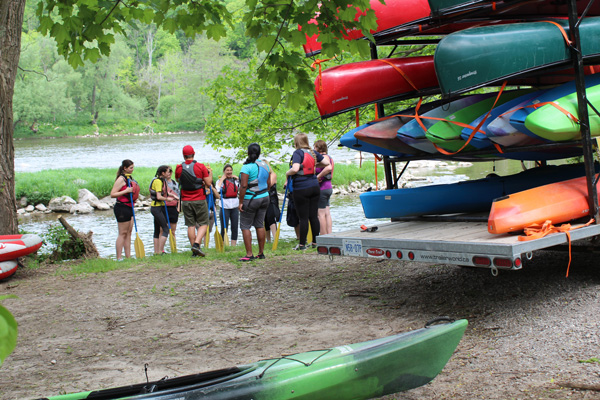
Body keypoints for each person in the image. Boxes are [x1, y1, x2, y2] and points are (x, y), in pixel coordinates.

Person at [285, 133, 330, 250]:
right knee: (313, 216)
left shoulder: (298, 153)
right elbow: (326, 163)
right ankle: (315, 242)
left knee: (303, 217)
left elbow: (294, 169)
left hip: (301, 187)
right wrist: (312, 164)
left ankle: (301, 245)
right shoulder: (313, 152)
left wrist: (287, 173)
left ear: (296, 143)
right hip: (314, 186)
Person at [238, 143, 275, 261]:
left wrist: (240, 202)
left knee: (245, 225)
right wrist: (264, 192)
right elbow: (269, 184)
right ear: (259, 153)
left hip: (251, 198)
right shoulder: (265, 165)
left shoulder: (246, 167)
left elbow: (243, 186)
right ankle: (261, 253)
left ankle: (249, 254)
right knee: (259, 224)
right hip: (265, 197)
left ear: (248, 152)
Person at [175, 145, 212, 257]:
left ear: (183, 155)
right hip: (199, 199)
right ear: (194, 154)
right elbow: (209, 183)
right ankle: (196, 244)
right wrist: (209, 172)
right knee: (204, 223)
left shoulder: (178, 167)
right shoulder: (200, 167)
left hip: (186, 200)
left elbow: (178, 179)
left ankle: (194, 251)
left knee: (190, 225)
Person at [110, 159, 140, 260]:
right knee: (122, 233)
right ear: (125, 168)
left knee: (128, 233)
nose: (132, 169)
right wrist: (126, 191)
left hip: (129, 207)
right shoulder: (121, 179)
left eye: (133, 167)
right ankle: (118, 257)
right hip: (121, 207)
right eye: (130, 168)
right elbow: (113, 194)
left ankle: (128, 256)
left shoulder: (129, 178)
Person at [149, 165, 178, 255]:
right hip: (156, 207)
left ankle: (156, 252)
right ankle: (160, 251)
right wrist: (167, 199)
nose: (169, 173)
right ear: (163, 173)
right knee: (165, 229)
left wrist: (171, 195)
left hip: (159, 207)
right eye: (167, 171)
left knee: (157, 230)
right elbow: (159, 196)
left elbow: (164, 192)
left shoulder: (162, 181)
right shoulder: (158, 181)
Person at [216, 164, 240, 246]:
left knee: (235, 226)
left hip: (234, 206)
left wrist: (238, 179)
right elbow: (217, 189)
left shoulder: (236, 181)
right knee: (224, 226)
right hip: (224, 206)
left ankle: (233, 245)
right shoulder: (220, 181)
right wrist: (222, 179)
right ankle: (223, 244)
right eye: (227, 170)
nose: (229, 172)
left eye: (230, 170)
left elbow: (243, 187)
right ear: (224, 172)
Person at [314, 140, 334, 235]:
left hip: (322, 188)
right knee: (327, 213)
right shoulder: (330, 157)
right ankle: (329, 234)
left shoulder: (323, 158)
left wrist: (318, 176)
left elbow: (328, 168)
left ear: (318, 148)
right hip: (328, 187)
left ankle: (323, 235)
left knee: (320, 214)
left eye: (314, 148)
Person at [163, 166, 180, 248]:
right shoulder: (161, 182)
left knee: (173, 231)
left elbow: (179, 196)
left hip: (173, 208)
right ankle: (161, 248)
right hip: (164, 207)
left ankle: (173, 247)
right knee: (163, 230)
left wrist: (178, 208)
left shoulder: (175, 183)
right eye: (167, 171)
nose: (169, 173)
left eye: (170, 171)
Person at [264, 176, 280, 243]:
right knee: (265, 219)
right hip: (263, 198)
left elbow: (269, 185)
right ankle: (268, 240)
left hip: (272, 199)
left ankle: (275, 238)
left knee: (271, 218)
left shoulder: (273, 175)